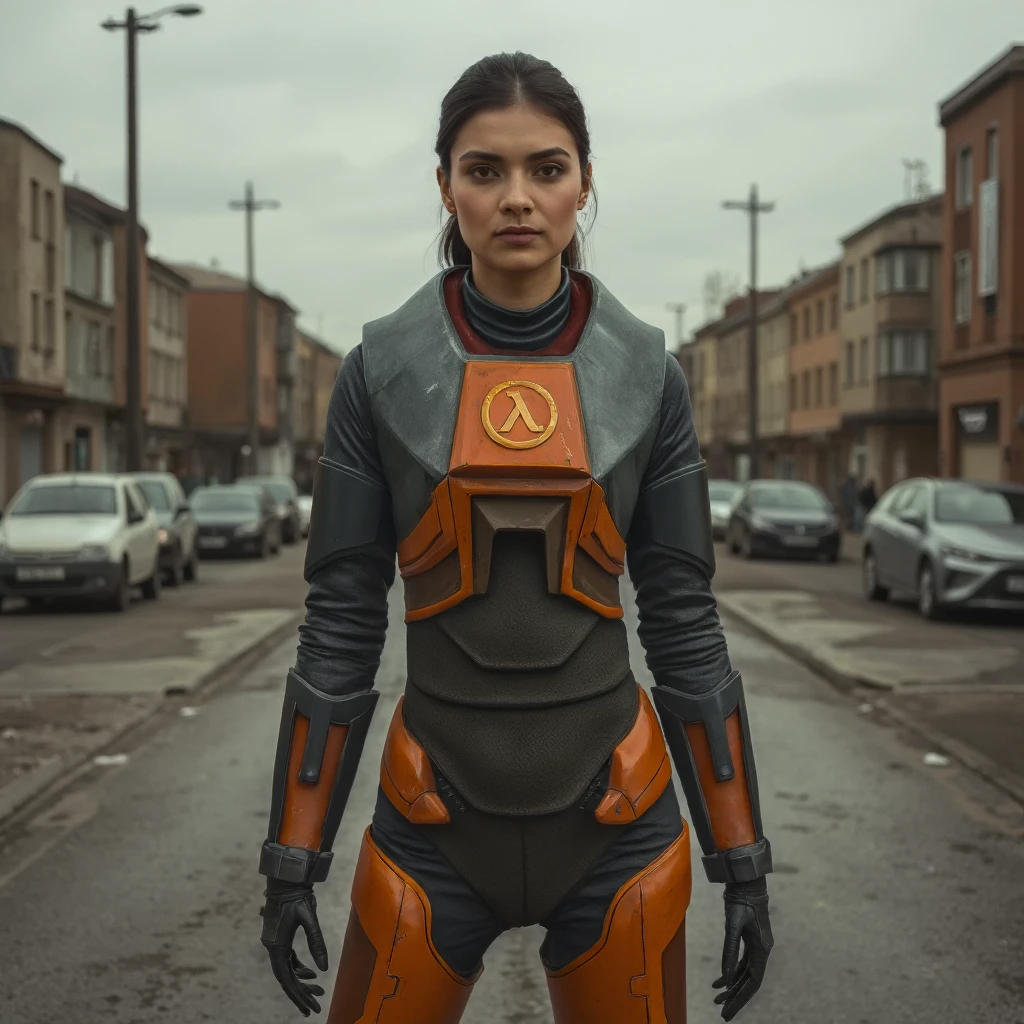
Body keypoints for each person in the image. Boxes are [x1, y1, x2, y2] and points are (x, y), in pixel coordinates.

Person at [257, 52, 774, 1024]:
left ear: (585, 180)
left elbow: (680, 618)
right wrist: (293, 856)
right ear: (444, 184)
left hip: (617, 824)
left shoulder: (650, 376)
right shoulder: (376, 373)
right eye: (483, 170)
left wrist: (740, 856)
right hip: (432, 826)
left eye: (547, 167)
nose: (517, 198)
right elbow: (339, 619)